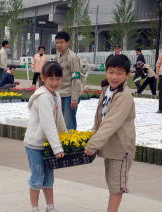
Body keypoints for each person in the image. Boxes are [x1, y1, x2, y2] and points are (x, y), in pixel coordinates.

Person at [85, 54, 135, 212]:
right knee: (112, 183)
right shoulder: (108, 90)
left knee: (116, 186)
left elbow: (111, 123)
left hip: (121, 149)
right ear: (105, 72)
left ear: (127, 75)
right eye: (111, 72)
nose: (114, 76)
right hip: (110, 146)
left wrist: (93, 144)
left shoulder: (124, 96)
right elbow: (100, 117)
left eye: (120, 73)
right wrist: (90, 135)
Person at [24, 61, 66, 212]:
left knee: (49, 178)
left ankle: (50, 206)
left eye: (58, 78)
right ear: (42, 77)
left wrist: (66, 140)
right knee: (37, 178)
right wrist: (57, 147)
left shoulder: (56, 95)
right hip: (35, 145)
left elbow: (59, 120)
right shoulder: (43, 97)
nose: (55, 82)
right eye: (51, 79)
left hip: (47, 145)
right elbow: (48, 123)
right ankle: (34, 208)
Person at [55, 31, 82, 130]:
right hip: (60, 94)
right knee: (60, 123)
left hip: (69, 95)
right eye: (57, 43)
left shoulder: (72, 58)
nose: (59, 45)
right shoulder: (58, 56)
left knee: (69, 124)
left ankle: (71, 145)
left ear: (68, 43)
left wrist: (74, 98)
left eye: (61, 42)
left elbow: (76, 78)